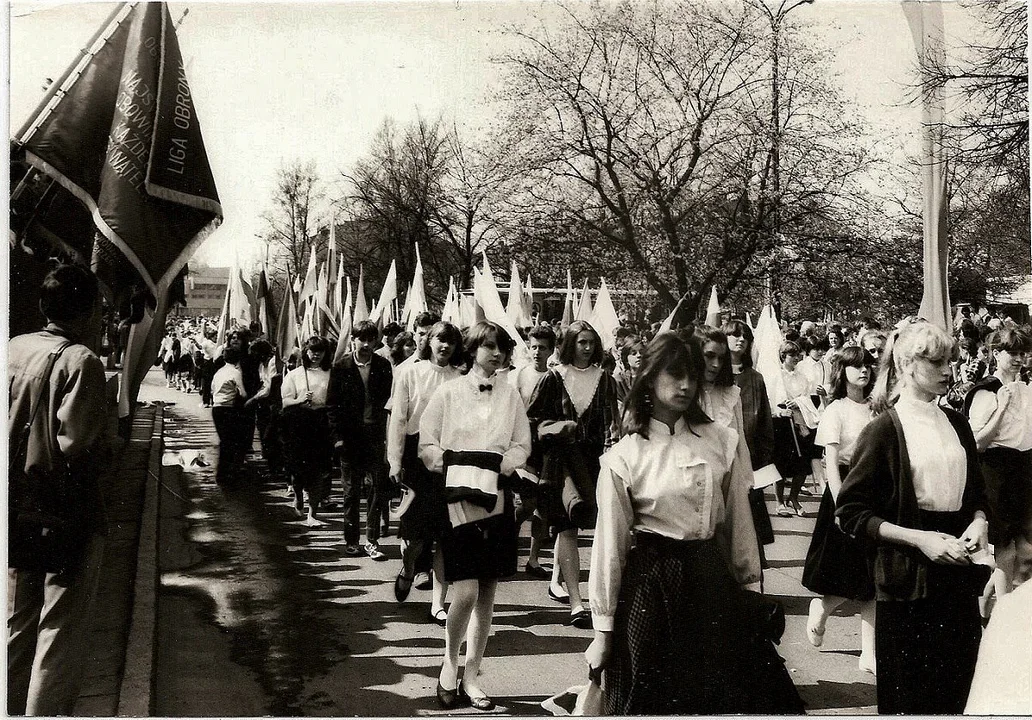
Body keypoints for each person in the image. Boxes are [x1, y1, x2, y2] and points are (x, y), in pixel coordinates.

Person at [583, 332, 802, 715]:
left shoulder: (722, 441)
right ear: (650, 378)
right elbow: (609, 548)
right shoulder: (626, 455)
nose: (686, 385)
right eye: (674, 375)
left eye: (693, 376)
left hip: (710, 580)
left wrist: (751, 591)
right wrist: (603, 631)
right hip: (651, 589)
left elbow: (739, 525)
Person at [837, 320, 992, 714]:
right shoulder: (884, 430)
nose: (948, 371)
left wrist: (979, 520)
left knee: (958, 693)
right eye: (936, 362)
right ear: (907, 365)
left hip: (956, 577)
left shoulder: (956, 422)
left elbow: (977, 493)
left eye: (950, 361)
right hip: (907, 582)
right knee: (911, 697)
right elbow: (852, 513)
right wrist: (919, 538)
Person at [8, 265, 110, 717]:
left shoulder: (13, 349)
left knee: (16, 620)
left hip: (14, 505)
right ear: (87, 311)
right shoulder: (81, 361)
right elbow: (76, 445)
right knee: (58, 632)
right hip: (62, 511)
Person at [419, 321, 531, 711]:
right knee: (464, 590)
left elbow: (521, 444)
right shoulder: (448, 392)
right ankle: (448, 666)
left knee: (486, 593)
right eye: (487, 346)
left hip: (496, 496)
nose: (496, 353)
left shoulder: (511, 395)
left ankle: (472, 676)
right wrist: (446, 465)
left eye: (501, 347)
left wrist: (506, 465)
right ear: (471, 349)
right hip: (458, 492)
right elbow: (427, 442)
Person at [527, 320, 620, 628]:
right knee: (567, 528)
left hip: (596, 462)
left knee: (599, 530)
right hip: (563, 462)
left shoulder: (605, 379)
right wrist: (553, 431)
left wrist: (611, 457)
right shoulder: (555, 377)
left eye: (591, 341)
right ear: (569, 344)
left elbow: (612, 423)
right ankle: (577, 603)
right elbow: (533, 418)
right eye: (581, 342)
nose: (587, 347)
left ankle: (593, 596)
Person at [802, 346, 877, 673]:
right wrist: (840, 501)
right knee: (847, 569)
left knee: (874, 574)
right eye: (856, 367)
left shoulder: (878, 409)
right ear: (842, 371)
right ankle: (822, 607)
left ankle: (869, 652)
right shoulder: (837, 410)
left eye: (868, 367)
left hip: (875, 488)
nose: (864, 372)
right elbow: (831, 461)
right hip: (845, 489)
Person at [389, 321, 465, 625]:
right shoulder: (410, 372)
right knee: (415, 537)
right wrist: (394, 461)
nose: (444, 347)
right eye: (439, 340)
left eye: (450, 342)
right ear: (428, 342)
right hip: (415, 457)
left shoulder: (460, 377)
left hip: (447, 460)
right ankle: (408, 569)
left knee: (445, 536)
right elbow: (398, 419)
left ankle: (438, 603)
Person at [327, 321, 394, 559]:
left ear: (376, 342)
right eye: (361, 339)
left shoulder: (383, 365)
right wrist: (337, 439)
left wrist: (388, 438)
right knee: (351, 492)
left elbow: (389, 404)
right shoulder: (341, 366)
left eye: (370, 340)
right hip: (350, 439)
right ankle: (352, 540)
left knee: (376, 490)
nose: (365, 344)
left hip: (375, 437)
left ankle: (372, 541)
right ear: (353, 339)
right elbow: (332, 406)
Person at [508, 324, 557, 577]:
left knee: (543, 506)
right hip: (523, 445)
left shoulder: (555, 376)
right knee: (526, 504)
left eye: (542, 348)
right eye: (533, 346)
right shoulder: (520, 375)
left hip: (546, 447)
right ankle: (507, 550)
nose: (537, 352)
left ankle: (534, 559)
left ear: (551, 350)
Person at [280, 336, 334, 524]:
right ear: (305, 352)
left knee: (319, 471)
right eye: (312, 350)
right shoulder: (294, 375)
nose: (316, 355)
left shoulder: (330, 374)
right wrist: (300, 400)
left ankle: (312, 513)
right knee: (298, 469)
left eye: (320, 351)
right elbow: (286, 402)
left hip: (321, 424)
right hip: (299, 424)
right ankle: (298, 497)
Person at [770, 340, 818, 517]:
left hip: (799, 422)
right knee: (781, 464)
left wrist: (798, 402)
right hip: (781, 424)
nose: (796, 358)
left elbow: (807, 398)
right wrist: (780, 411)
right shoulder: (776, 377)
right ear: (784, 356)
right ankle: (779, 501)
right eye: (792, 355)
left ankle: (794, 498)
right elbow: (769, 400)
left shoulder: (802, 377)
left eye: (798, 355)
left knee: (802, 464)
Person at [211, 347, 250, 485]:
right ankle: (225, 474)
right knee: (230, 441)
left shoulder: (219, 372)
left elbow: (212, 389)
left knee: (225, 440)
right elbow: (243, 393)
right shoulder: (235, 372)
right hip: (228, 409)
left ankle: (223, 472)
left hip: (216, 408)